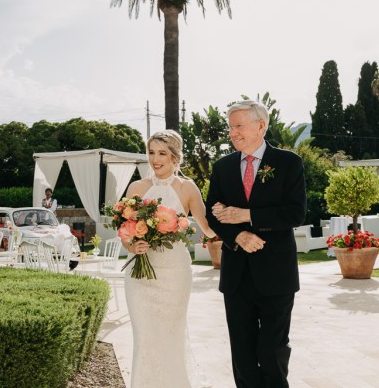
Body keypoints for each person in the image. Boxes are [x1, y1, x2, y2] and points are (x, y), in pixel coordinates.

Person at [206, 100, 306, 387]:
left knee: (271, 351)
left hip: (277, 274)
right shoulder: (223, 167)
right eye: (230, 127)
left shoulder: (289, 163)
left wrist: (247, 215)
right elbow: (213, 214)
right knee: (243, 354)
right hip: (236, 275)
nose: (233, 133)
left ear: (261, 125)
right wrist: (237, 235)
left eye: (239, 126)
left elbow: (295, 213)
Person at [121, 130, 216, 387]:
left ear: (175, 156)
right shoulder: (136, 188)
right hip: (140, 277)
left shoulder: (187, 187)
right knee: (145, 337)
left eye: (162, 153)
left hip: (175, 274)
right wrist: (132, 246)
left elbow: (206, 226)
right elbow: (125, 231)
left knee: (171, 335)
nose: (155, 159)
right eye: (151, 152)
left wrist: (234, 228)